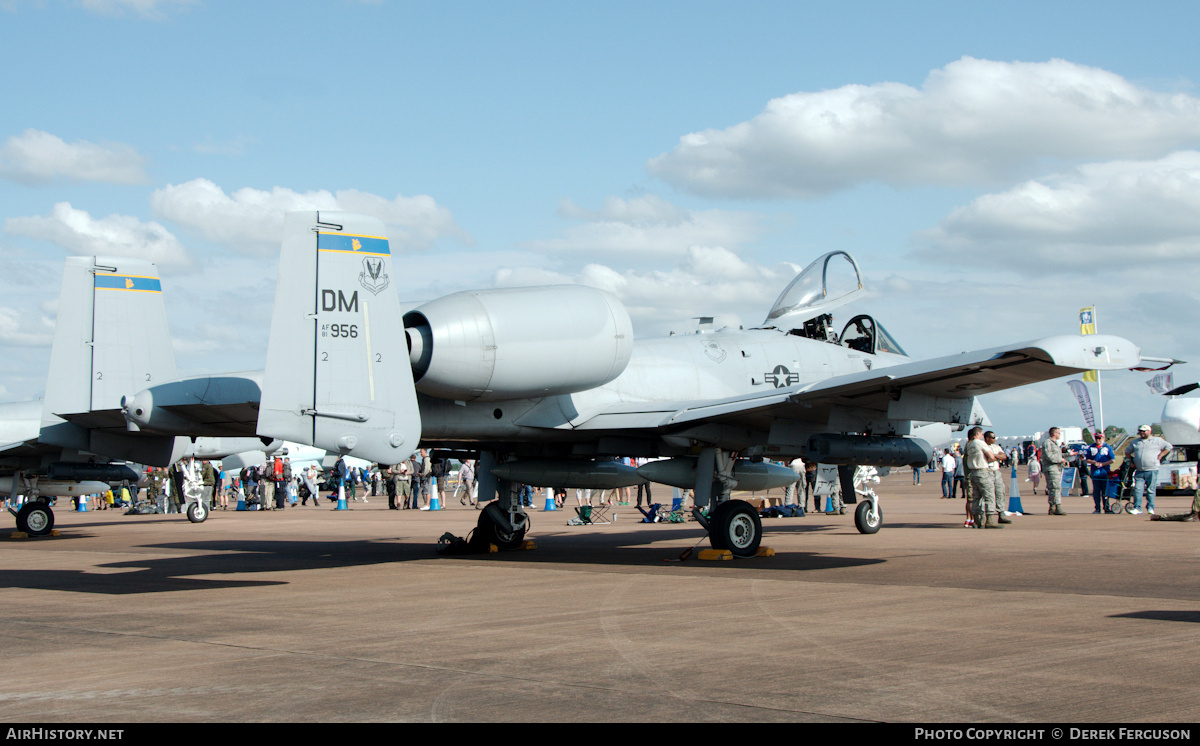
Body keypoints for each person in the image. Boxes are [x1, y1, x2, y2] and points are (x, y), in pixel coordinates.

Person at [1124, 425, 1172, 516]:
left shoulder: (1157, 440)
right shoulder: (1135, 442)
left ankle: (1150, 507)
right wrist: (1131, 460)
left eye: (1144, 431)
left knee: (1151, 490)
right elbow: (1127, 451)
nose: (1142, 433)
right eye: (1141, 431)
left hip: (1152, 469)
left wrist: (1161, 455)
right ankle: (1137, 508)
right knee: (1138, 489)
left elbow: (1169, 447)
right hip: (1139, 470)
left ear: (1149, 431)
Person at [965, 427, 1002, 528]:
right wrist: (996, 457)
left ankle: (977, 521)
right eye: (981, 434)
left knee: (976, 497)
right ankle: (989, 520)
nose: (982, 436)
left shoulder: (969, 444)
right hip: (982, 471)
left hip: (973, 472)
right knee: (989, 496)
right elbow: (990, 456)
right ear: (977, 434)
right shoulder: (980, 443)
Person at [1085, 431, 1116, 514]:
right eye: (1097, 438)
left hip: (1105, 472)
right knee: (1096, 491)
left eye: (1100, 438)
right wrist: (1094, 462)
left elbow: (1113, 460)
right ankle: (1097, 508)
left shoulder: (1107, 447)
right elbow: (1087, 459)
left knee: (1105, 491)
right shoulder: (1091, 447)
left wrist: (1103, 464)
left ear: (1103, 438)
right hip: (1095, 472)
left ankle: (1107, 508)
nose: (1098, 440)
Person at [984, 431, 1011, 523]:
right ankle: (989, 516)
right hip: (987, 471)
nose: (994, 439)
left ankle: (1001, 513)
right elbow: (988, 458)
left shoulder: (996, 447)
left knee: (1000, 492)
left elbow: (1004, 456)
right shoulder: (983, 446)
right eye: (993, 437)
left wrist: (994, 455)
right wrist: (996, 456)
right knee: (989, 495)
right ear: (987, 438)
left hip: (996, 471)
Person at [1040, 427, 1067, 515]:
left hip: (1055, 468)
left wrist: (1068, 455)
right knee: (1056, 488)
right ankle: (1057, 506)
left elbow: (1056, 454)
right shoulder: (1048, 443)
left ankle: (1052, 507)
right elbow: (1049, 456)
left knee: (1053, 488)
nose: (1059, 435)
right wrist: (1060, 460)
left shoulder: (1055, 443)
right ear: (1054, 434)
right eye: (1058, 433)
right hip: (1051, 468)